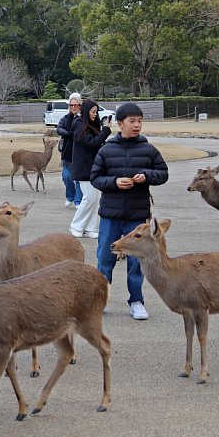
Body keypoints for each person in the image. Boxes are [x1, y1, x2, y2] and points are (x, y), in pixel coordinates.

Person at [91, 103, 168, 321]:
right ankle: (100, 300)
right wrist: (114, 182)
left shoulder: (148, 149)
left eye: (140, 121)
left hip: (136, 216)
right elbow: (95, 178)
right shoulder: (106, 150)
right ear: (120, 124)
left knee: (136, 262)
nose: (137, 125)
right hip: (110, 215)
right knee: (105, 259)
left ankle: (136, 301)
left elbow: (163, 173)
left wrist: (147, 176)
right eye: (132, 121)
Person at [69, 99, 112, 238]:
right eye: (93, 112)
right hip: (84, 169)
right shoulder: (79, 125)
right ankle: (76, 225)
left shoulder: (90, 125)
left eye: (96, 112)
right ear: (87, 111)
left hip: (93, 167)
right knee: (89, 198)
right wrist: (105, 130)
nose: (95, 114)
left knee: (96, 198)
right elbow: (92, 143)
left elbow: (97, 143)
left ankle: (91, 228)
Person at [57, 93, 83, 208]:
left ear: (80, 105)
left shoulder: (83, 118)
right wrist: (68, 133)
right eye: (71, 105)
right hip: (67, 152)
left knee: (78, 179)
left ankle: (78, 200)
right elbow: (59, 128)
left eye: (75, 105)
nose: (73, 107)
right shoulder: (66, 118)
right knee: (66, 176)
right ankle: (70, 196)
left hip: (79, 152)